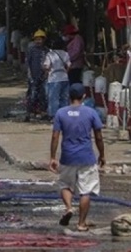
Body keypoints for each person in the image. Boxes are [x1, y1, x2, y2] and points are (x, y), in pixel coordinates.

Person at [50, 83, 105, 232]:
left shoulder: (61, 113)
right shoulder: (91, 112)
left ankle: (69, 208)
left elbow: (55, 136)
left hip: (67, 156)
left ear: (69, 96)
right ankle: (81, 224)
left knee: (65, 185)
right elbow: (99, 137)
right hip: (87, 156)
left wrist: (52, 157)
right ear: (84, 97)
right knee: (85, 191)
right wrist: (102, 155)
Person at [43, 38, 71, 120]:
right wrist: (66, 72)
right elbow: (69, 65)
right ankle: (64, 115)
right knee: (64, 98)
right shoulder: (65, 54)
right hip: (64, 78)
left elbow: (46, 66)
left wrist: (46, 73)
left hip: (54, 79)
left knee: (53, 98)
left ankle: (54, 116)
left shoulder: (50, 54)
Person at [26, 29, 48, 121]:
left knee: (43, 94)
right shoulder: (31, 50)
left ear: (43, 40)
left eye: (40, 39)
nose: (38, 41)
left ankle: (42, 112)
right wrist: (29, 74)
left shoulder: (46, 50)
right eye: (36, 39)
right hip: (33, 75)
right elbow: (28, 63)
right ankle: (30, 113)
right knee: (32, 94)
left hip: (43, 76)